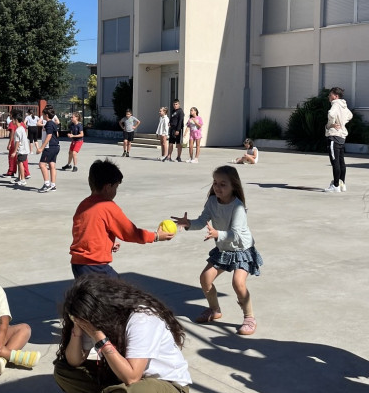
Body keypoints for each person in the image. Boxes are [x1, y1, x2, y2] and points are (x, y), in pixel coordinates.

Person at [54, 275, 192, 393]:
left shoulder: (142, 318)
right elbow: (74, 361)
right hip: (120, 378)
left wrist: (99, 337)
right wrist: (77, 329)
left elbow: (132, 377)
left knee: (137, 390)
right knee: (64, 371)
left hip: (164, 385)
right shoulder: (93, 320)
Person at [172, 165, 263, 336]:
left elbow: (235, 234)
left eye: (223, 184)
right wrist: (189, 223)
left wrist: (217, 233)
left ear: (233, 186)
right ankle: (214, 310)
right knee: (205, 279)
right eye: (215, 183)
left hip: (242, 249)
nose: (217, 187)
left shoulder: (238, 207)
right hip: (223, 249)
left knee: (238, 283)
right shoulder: (212, 202)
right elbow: (202, 221)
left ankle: (249, 317)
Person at [70, 158, 175, 278]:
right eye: (116, 187)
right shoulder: (107, 206)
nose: (116, 191)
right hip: (95, 266)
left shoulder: (84, 204)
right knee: (122, 294)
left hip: (78, 265)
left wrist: (106, 243)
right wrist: (155, 236)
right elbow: (130, 232)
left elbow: (83, 232)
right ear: (108, 187)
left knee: (91, 296)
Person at [324, 87, 353, 193]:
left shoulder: (335, 104)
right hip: (341, 136)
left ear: (335, 96)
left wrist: (331, 124)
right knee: (341, 161)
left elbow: (331, 114)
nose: (328, 96)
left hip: (334, 136)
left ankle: (336, 185)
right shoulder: (343, 105)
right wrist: (343, 123)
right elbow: (350, 115)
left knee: (335, 161)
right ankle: (342, 184)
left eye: (330, 94)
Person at [36, 104, 60, 193]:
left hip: (49, 147)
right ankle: (53, 185)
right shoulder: (53, 123)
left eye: (43, 114)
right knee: (52, 165)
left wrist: (41, 148)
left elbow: (49, 135)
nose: (42, 116)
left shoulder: (49, 124)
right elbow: (56, 134)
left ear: (46, 115)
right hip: (56, 146)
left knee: (42, 164)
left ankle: (47, 184)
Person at [5, 109, 31, 179]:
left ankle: (11, 171)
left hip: (15, 142)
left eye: (10, 114)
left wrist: (9, 143)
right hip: (22, 143)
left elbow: (12, 133)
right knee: (23, 159)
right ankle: (26, 173)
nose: (9, 115)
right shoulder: (22, 123)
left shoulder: (12, 123)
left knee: (12, 158)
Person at [11, 112, 29, 186]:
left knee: (20, 164)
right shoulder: (22, 128)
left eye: (13, 120)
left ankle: (23, 179)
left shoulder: (18, 130)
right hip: (24, 149)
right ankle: (19, 178)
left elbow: (17, 142)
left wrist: (14, 152)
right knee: (19, 163)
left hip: (22, 150)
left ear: (16, 120)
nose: (12, 121)